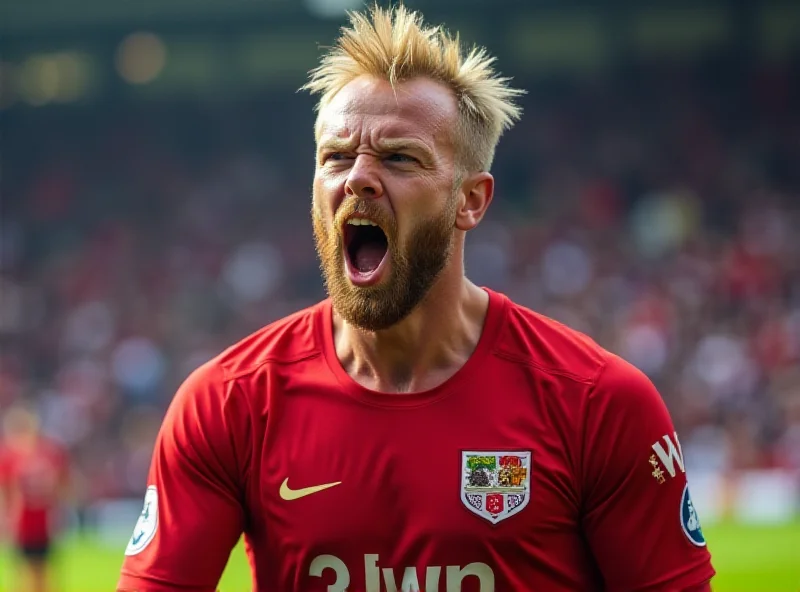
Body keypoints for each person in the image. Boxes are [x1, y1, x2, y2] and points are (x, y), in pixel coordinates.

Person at [118, 5, 715, 591]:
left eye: (400, 157)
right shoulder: (228, 404)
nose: (358, 178)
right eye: (336, 157)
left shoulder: (598, 404)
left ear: (471, 200)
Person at [0, 404, 70, 592]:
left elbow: (62, 485)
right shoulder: (14, 455)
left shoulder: (47, 453)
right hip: (24, 522)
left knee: (42, 573)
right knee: (25, 573)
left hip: (41, 521)